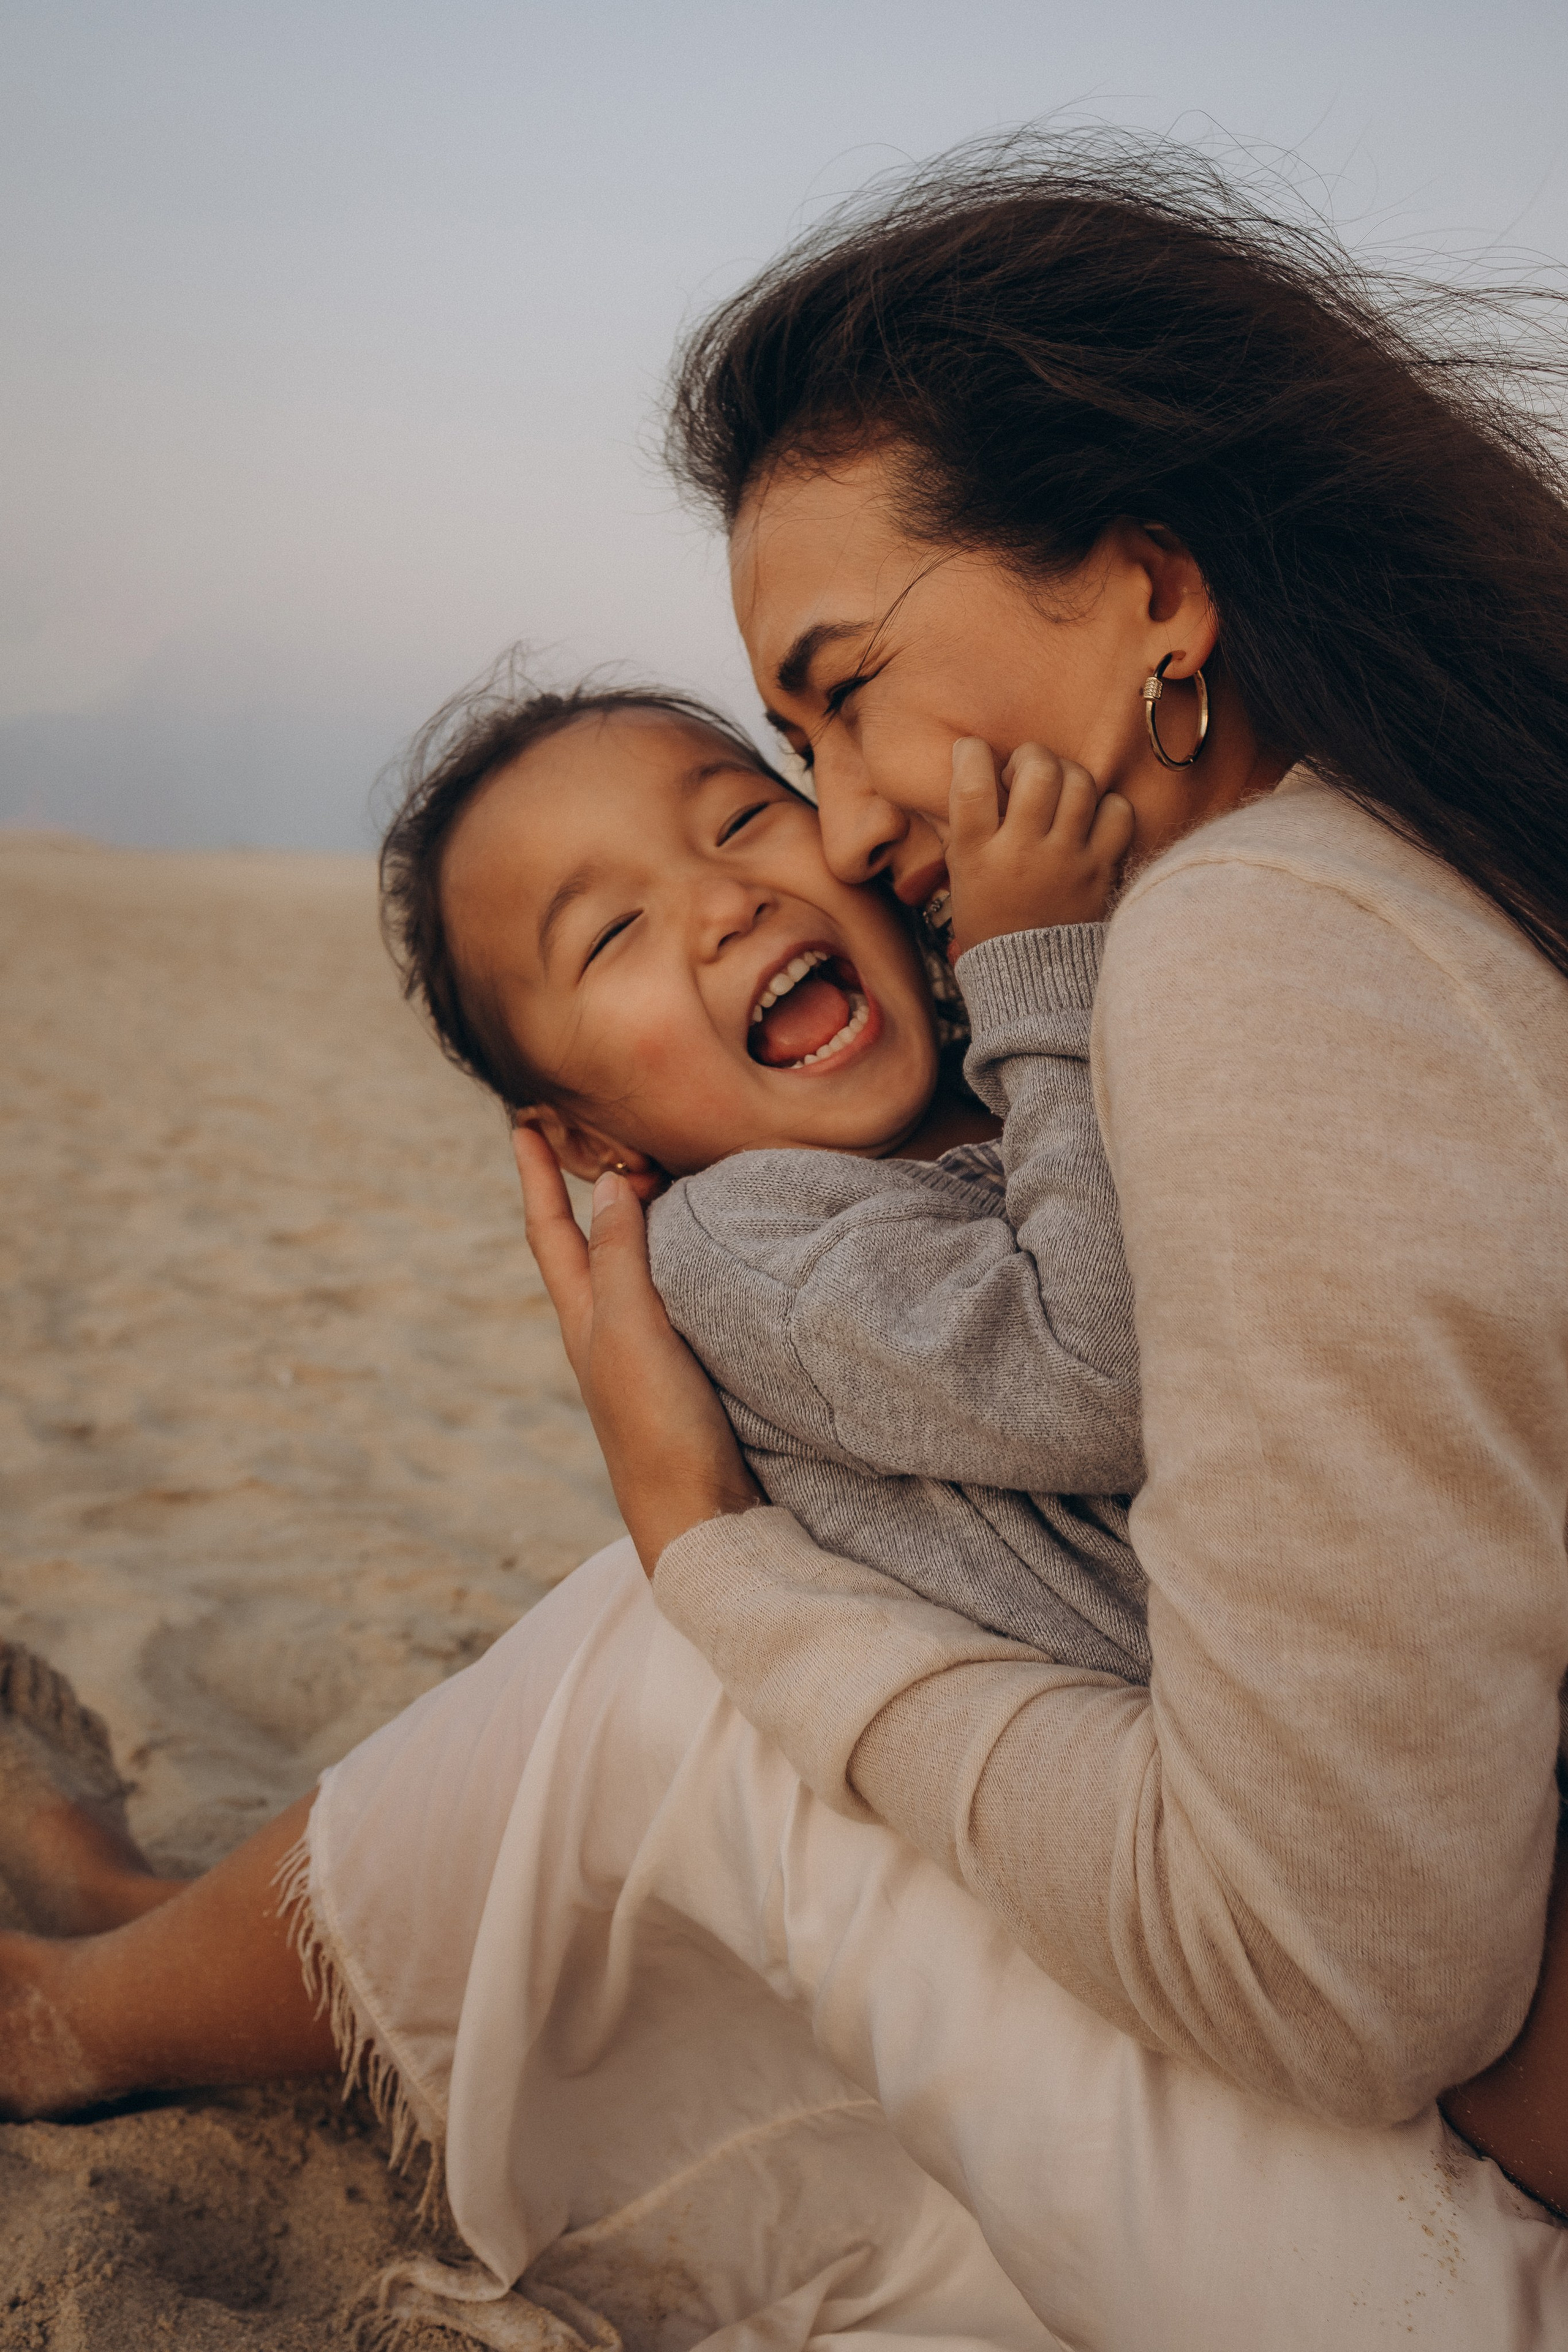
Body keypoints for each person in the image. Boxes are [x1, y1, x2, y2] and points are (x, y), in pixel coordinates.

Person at [5, 139, 1568, 2349]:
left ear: (1152, 588)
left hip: (1413, 2059)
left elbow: (1133, 1393)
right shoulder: (783, 1224)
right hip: (1354, 1916)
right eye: (614, 933)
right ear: (582, 1127)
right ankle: (122, 1969)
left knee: (672, 1649)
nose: (807, 844)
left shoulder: (1234, 966)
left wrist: (697, 1541)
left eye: (791, 751)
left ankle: (110, 1981)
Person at [378, 671, 1150, 1672]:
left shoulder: (1001, 1071)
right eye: (612, 931)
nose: (727, 903)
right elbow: (1096, 1384)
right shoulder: (744, 1243)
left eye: (741, 819)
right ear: (581, 1141)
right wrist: (1045, 960)